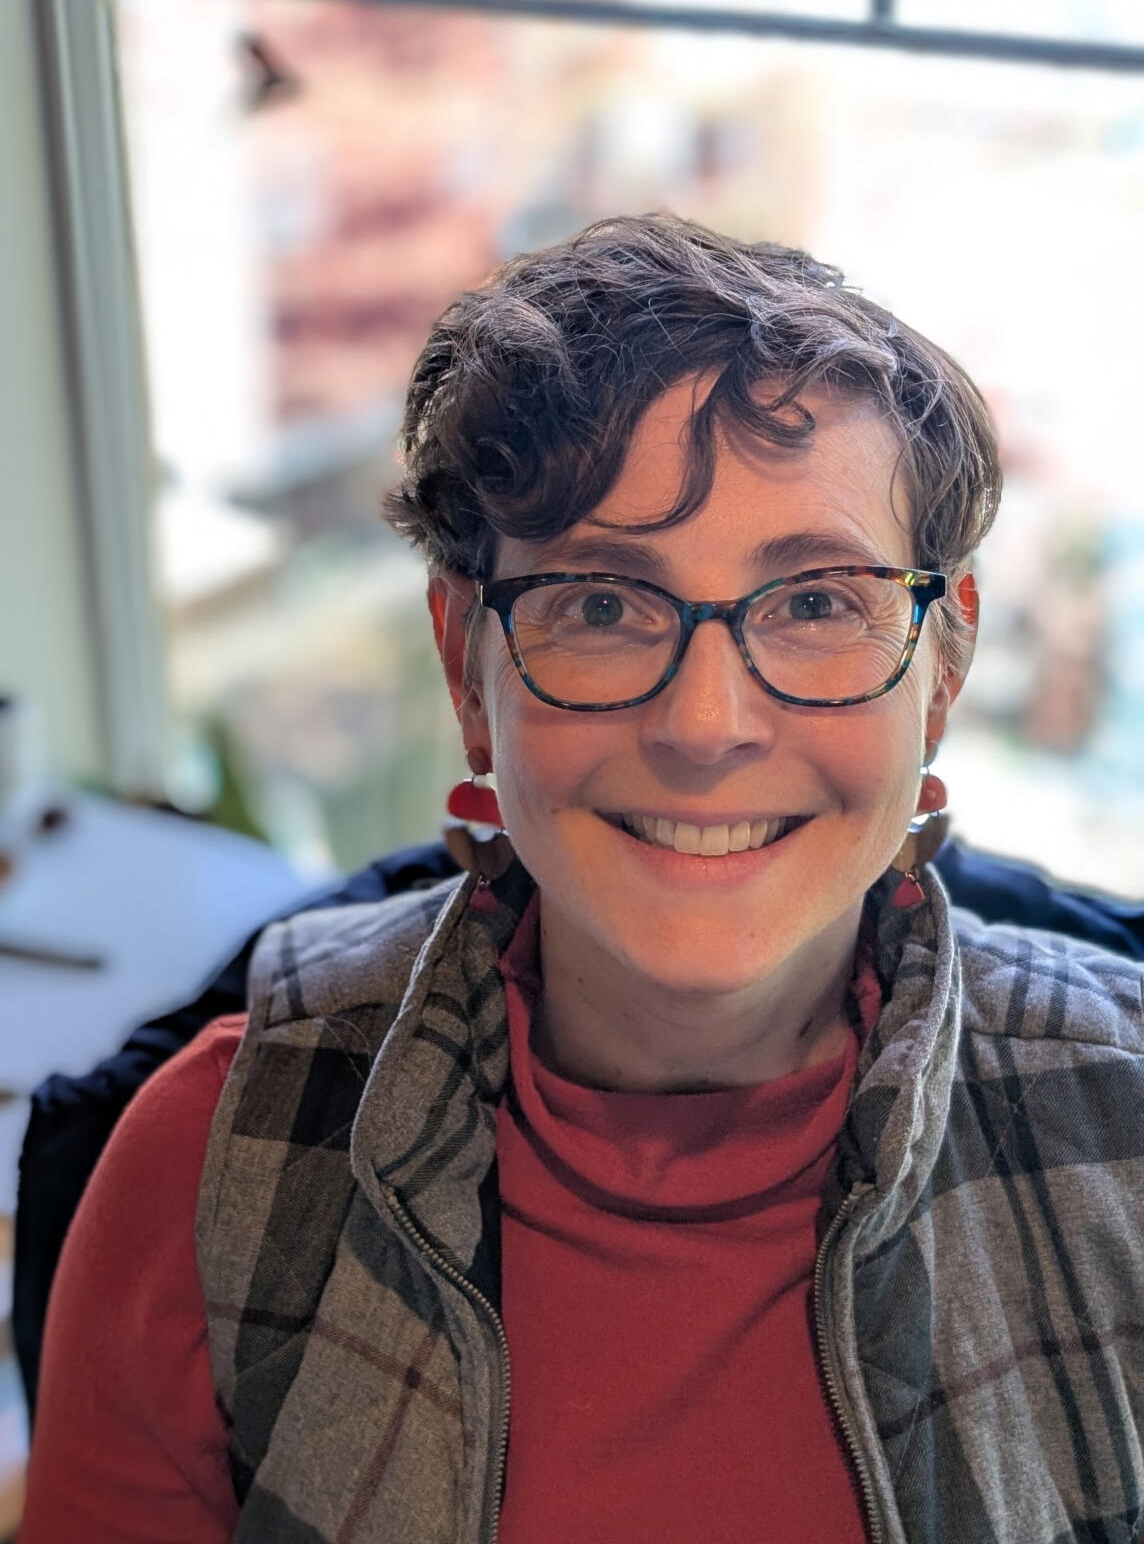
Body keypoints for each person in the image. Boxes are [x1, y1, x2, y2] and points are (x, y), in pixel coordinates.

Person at [21, 216, 1144, 1543]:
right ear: (466, 668)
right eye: (604, 603)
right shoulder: (206, 1168)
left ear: (941, 668)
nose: (706, 722)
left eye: (817, 601)